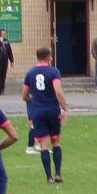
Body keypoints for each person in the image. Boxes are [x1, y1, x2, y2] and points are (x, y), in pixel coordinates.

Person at [22, 46, 69, 185]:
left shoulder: (30, 73)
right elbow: (58, 92)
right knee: (56, 142)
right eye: (51, 56)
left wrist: (31, 99)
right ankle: (58, 174)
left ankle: (48, 177)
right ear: (48, 57)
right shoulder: (54, 72)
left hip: (38, 111)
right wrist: (65, 108)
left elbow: (24, 95)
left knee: (43, 144)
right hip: (52, 110)